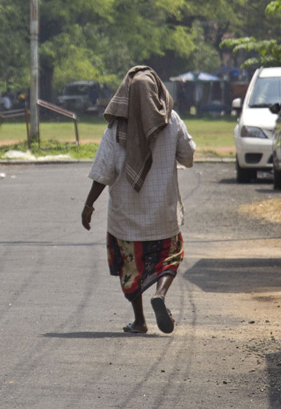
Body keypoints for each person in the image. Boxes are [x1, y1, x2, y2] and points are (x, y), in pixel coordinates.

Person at [81, 65, 195, 335]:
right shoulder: (172, 120)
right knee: (170, 255)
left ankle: (140, 320)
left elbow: (102, 172)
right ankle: (161, 294)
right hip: (162, 213)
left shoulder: (116, 129)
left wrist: (88, 205)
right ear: (157, 93)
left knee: (130, 265)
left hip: (125, 216)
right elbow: (188, 155)